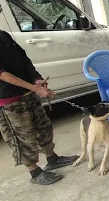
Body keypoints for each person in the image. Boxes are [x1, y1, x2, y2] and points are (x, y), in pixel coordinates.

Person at [0, 30, 78, 185]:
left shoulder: (3, 35)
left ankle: (52, 158)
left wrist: (36, 79)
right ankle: (34, 172)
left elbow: (24, 59)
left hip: (28, 92)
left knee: (43, 126)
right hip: (9, 98)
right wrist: (36, 89)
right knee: (21, 136)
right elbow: (3, 75)